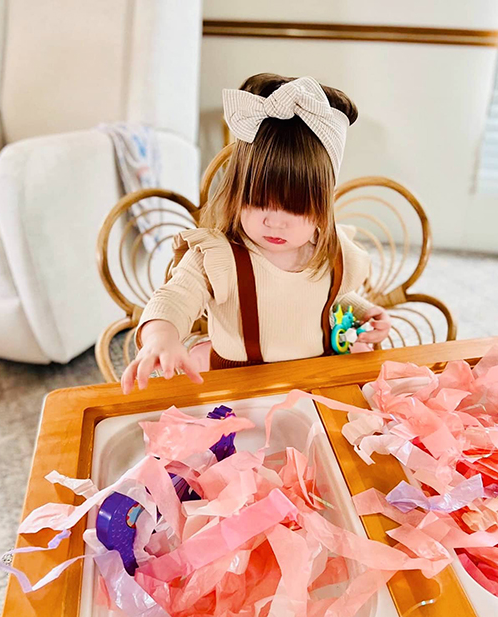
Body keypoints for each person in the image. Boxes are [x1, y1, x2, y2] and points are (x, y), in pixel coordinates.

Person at [121, 73, 392, 394]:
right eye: (257, 202)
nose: (275, 222)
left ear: (323, 206)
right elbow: (175, 297)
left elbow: (327, 298)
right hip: (242, 388)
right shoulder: (219, 257)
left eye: (295, 208)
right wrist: (160, 336)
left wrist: (360, 312)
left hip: (314, 379)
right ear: (236, 191)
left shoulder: (333, 253)